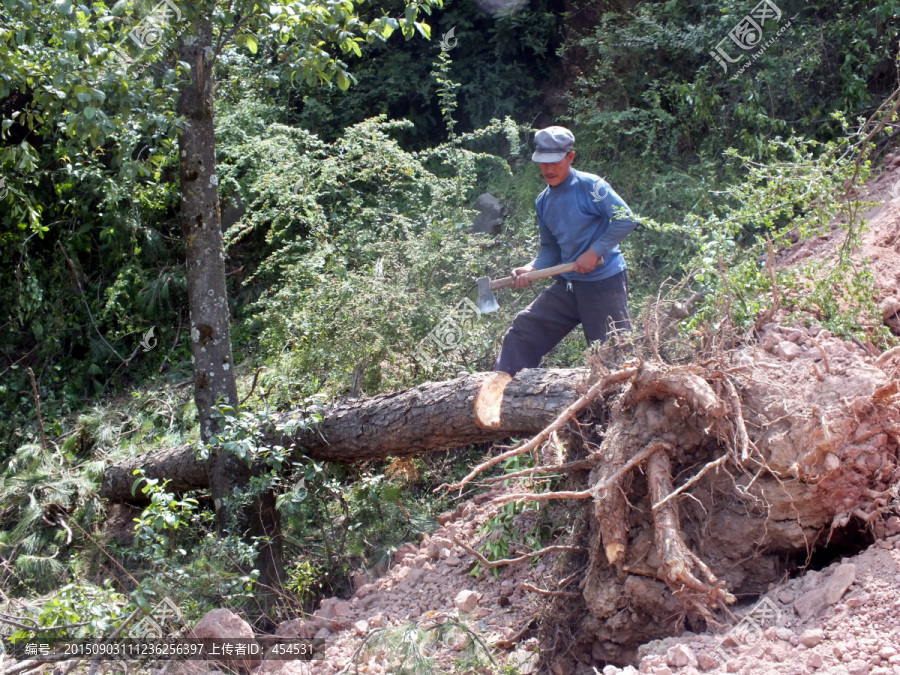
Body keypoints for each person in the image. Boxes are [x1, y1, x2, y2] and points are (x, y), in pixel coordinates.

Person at [493, 126, 636, 376]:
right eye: (543, 164)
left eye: (555, 163)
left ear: (570, 157)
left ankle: (624, 409)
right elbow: (550, 247)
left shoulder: (591, 186)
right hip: (569, 286)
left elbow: (625, 219)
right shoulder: (543, 201)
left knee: (614, 358)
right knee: (523, 332)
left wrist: (595, 251)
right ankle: (503, 394)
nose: (548, 170)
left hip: (603, 284)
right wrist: (532, 268)